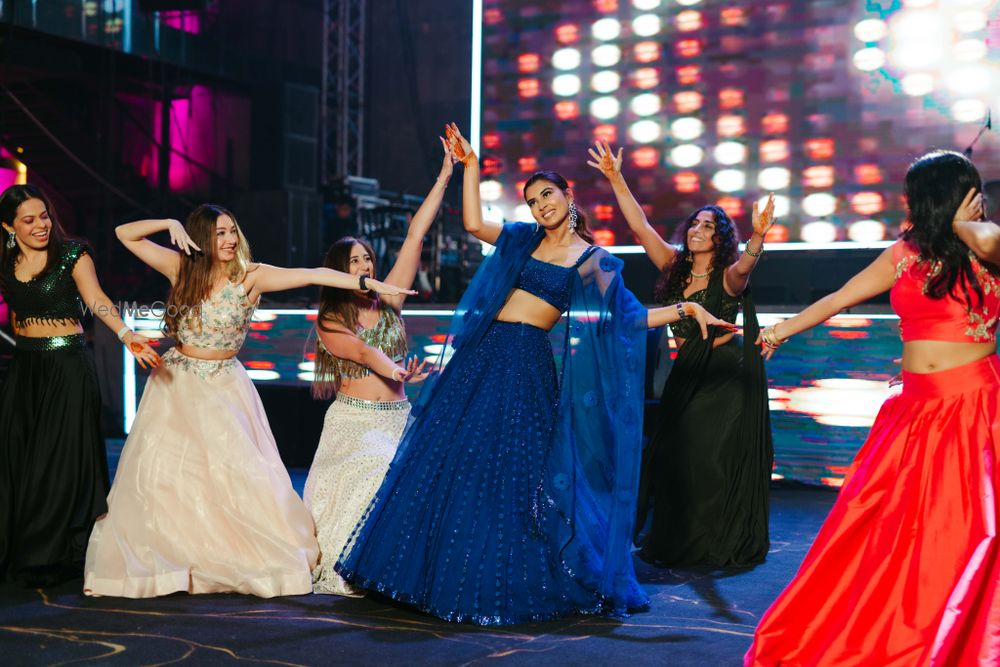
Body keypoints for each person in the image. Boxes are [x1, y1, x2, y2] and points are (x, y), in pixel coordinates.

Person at [335, 124, 736, 624]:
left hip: (525, 363)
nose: (540, 205)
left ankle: (491, 573)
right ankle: (422, 571)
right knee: (452, 458)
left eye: (547, 194)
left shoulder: (593, 259)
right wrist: (471, 165)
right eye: (531, 200)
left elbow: (627, 317)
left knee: (513, 471)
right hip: (482, 355)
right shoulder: (523, 239)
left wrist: (683, 310)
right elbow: (474, 223)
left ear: (569, 196)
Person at [746, 150, 1000, 665]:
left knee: (966, 527)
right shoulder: (904, 252)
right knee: (886, 528)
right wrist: (779, 329)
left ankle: (952, 632)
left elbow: (991, 239)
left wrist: (961, 223)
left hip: (973, 406)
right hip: (914, 410)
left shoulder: (987, 243)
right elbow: (841, 296)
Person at [83, 204, 413, 598]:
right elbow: (124, 232)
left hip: (225, 387)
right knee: (168, 478)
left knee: (236, 476)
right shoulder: (181, 268)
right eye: (219, 234)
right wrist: (168, 223)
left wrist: (365, 285)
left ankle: (226, 554)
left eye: (231, 232)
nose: (228, 240)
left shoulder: (251, 276)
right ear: (202, 238)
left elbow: (311, 274)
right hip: (177, 386)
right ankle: (175, 557)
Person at [588, 141, 776, 568]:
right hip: (686, 379)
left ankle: (716, 542)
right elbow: (640, 228)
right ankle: (679, 537)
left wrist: (759, 236)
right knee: (674, 458)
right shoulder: (673, 268)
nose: (698, 230)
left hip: (725, 381)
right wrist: (615, 177)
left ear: (720, 237)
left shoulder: (728, 278)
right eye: (695, 224)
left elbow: (746, 267)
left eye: (709, 226)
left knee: (710, 462)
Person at [303, 139, 450, 595]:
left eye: (367, 258)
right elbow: (366, 355)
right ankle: (361, 566)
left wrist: (445, 174)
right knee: (375, 468)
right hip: (355, 424)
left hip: (399, 419)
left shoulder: (389, 300)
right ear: (338, 272)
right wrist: (398, 369)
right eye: (354, 262)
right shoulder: (332, 319)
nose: (365, 266)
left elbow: (415, 236)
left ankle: (398, 570)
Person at [0, 184, 158, 586]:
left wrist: (127, 335)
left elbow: (97, 299)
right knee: (18, 455)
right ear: (8, 226)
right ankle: (20, 546)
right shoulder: (5, 258)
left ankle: (50, 553)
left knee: (57, 459)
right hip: (25, 367)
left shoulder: (73, 253)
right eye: (29, 219)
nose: (40, 225)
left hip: (67, 364)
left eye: (44, 215)